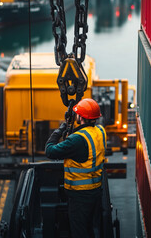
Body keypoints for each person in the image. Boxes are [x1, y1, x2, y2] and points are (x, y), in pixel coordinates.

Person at [45, 98, 107, 238]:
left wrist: (59, 131)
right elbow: (82, 137)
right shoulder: (100, 132)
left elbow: (50, 151)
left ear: (80, 117)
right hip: (95, 191)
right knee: (90, 227)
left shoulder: (77, 140)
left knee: (79, 231)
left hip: (80, 196)